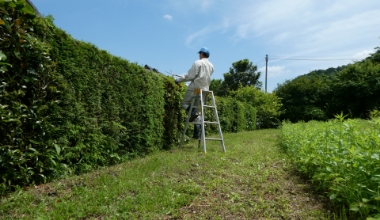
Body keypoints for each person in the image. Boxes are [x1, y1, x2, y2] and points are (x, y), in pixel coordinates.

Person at [175, 47, 214, 139]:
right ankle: (197, 133)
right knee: (198, 110)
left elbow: (190, 76)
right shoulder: (211, 65)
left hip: (195, 88)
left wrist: (178, 80)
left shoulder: (198, 63)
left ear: (201, 53)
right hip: (204, 90)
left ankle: (193, 112)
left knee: (184, 103)